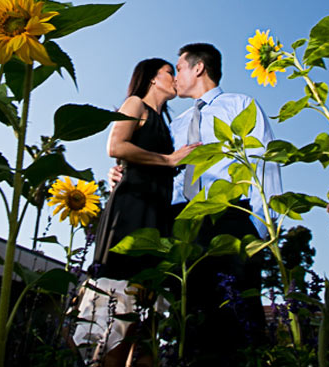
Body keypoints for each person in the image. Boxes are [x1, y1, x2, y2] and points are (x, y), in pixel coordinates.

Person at [110, 43, 283, 364]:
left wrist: (261, 227)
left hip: (230, 216)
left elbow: (264, 163)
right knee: (190, 322)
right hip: (180, 223)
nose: (175, 77)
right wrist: (122, 172)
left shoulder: (240, 105)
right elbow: (159, 165)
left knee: (237, 322)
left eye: (178, 68)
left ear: (198, 68)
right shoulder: (174, 125)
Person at [75, 58, 198, 367]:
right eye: (169, 72)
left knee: (145, 330)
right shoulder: (135, 104)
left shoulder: (164, 123)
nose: (174, 78)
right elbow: (116, 145)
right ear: (152, 79)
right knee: (118, 322)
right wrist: (169, 161)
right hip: (131, 213)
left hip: (156, 215)